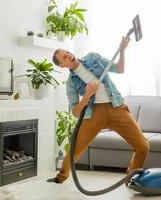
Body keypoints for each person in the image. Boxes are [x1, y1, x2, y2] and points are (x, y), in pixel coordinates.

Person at [47, 36, 150, 184]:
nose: (69, 55)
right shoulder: (71, 83)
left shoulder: (93, 58)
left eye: (67, 52)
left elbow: (119, 69)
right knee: (74, 150)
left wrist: (122, 50)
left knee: (143, 146)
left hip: (116, 108)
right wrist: (88, 95)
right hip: (94, 113)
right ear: (62, 65)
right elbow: (75, 112)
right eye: (64, 57)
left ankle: (131, 176)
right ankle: (61, 176)